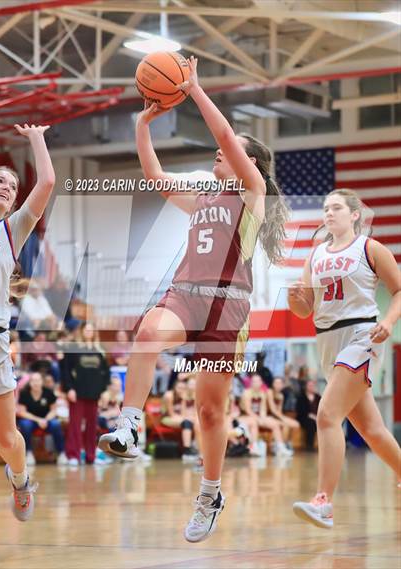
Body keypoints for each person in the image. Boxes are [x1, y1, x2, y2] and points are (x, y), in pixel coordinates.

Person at [99, 56, 289, 542]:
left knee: (209, 411)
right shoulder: (203, 197)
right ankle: (129, 426)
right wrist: (142, 125)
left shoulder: (252, 194)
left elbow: (223, 134)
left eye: (231, 151)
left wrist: (195, 89)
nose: (219, 152)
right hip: (185, 295)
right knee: (147, 332)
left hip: (228, 307)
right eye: (221, 151)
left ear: (249, 163)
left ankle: (209, 493)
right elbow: (155, 177)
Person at [288, 188, 401, 529]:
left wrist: (389, 321)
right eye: (326, 208)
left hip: (362, 334)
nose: (329, 213)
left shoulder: (369, 248)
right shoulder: (315, 255)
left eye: (336, 207)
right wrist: (295, 298)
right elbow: (305, 310)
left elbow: (398, 290)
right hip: (327, 340)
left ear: (354, 215)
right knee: (372, 430)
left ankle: (323, 502)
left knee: (327, 415)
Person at [0, 123, 55, 521]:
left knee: (5, 438)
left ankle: (21, 480)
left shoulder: (11, 229)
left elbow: (46, 183)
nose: (8, 186)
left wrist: (36, 139)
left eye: (12, 184)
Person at [61, 322, 109, 465]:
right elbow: (65, 370)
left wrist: (104, 390)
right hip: (77, 393)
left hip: (94, 394)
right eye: (86, 329)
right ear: (81, 331)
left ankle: (91, 456)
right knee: (75, 426)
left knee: (92, 427)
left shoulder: (99, 351)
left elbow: (105, 373)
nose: (88, 332)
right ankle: (73, 455)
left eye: (91, 330)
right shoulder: (73, 348)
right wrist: (69, 388)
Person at [17, 372, 66, 466]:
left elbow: (54, 410)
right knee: (25, 425)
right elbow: (22, 412)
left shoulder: (48, 392)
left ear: (42, 382)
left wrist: (45, 420)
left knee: (56, 424)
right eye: (33, 380)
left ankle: (61, 453)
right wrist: (38, 420)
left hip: (47, 420)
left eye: (38, 380)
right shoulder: (24, 393)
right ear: (30, 383)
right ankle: (28, 453)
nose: (36, 383)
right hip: (32, 421)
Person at [240, 373, 292, 457]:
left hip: (257, 417)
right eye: (254, 381)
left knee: (274, 423)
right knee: (254, 422)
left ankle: (280, 447)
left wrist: (263, 418)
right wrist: (258, 419)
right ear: (251, 383)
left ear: (261, 383)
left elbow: (262, 410)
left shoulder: (262, 394)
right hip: (245, 416)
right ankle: (253, 447)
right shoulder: (247, 393)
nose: (256, 383)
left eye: (258, 381)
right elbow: (248, 410)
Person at [267, 376, 300, 452]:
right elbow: (273, 410)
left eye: (280, 383)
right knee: (285, 424)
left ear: (282, 385)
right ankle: (280, 446)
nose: (278, 385)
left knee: (296, 424)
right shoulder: (269, 392)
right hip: (268, 415)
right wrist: (283, 419)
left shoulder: (281, 396)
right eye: (276, 383)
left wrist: (282, 418)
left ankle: (287, 442)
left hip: (276, 416)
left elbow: (279, 411)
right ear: (273, 384)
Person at [296, 380, 321, 450]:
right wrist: (311, 416)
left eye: (312, 386)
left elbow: (321, 409)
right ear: (306, 386)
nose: (311, 387)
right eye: (309, 385)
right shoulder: (301, 397)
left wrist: (317, 417)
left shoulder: (318, 397)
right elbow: (300, 410)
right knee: (311, 423)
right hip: (304, 417)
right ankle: (309, 445)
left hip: (316, 417)